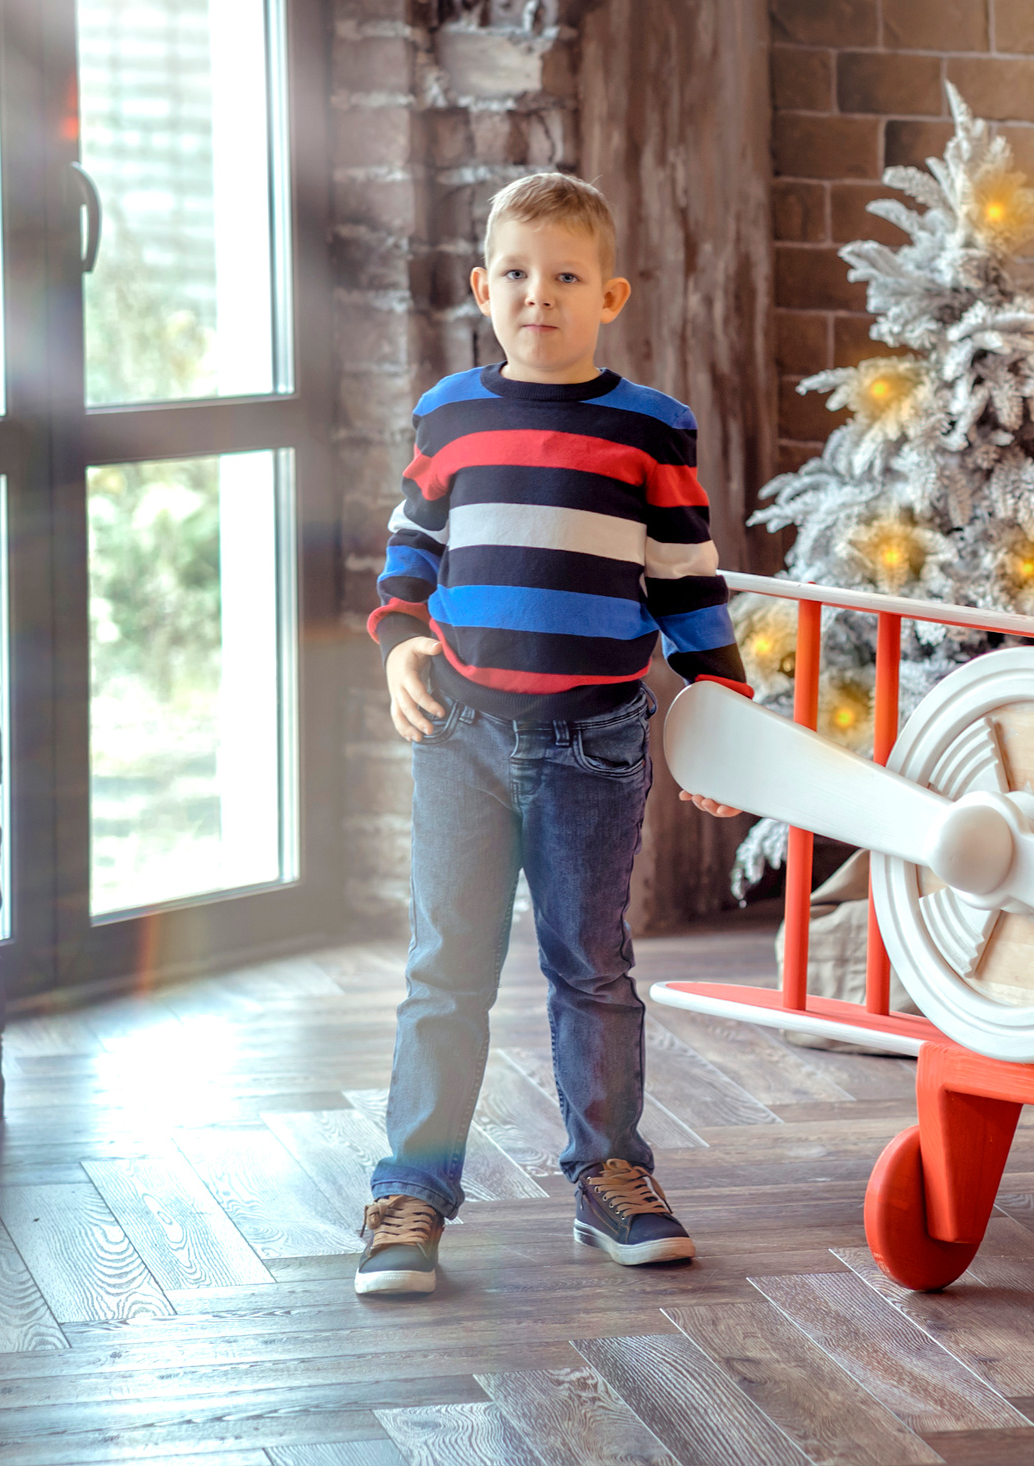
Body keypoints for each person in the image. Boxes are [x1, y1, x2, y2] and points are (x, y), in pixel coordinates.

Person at [358, 171, 747, 1296]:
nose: (542, 294)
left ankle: (611, 1173)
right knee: (446, 971)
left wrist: (718, 704)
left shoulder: (652, 428)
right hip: (461, 736)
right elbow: (411, 551)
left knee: (593, 969)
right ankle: (411, 1191)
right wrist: (399, 644)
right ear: (484, 288)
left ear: (609, 296)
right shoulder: (449, 412)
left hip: (596, 743)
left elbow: (687, 581)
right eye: (519, 274)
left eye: (568, 276)